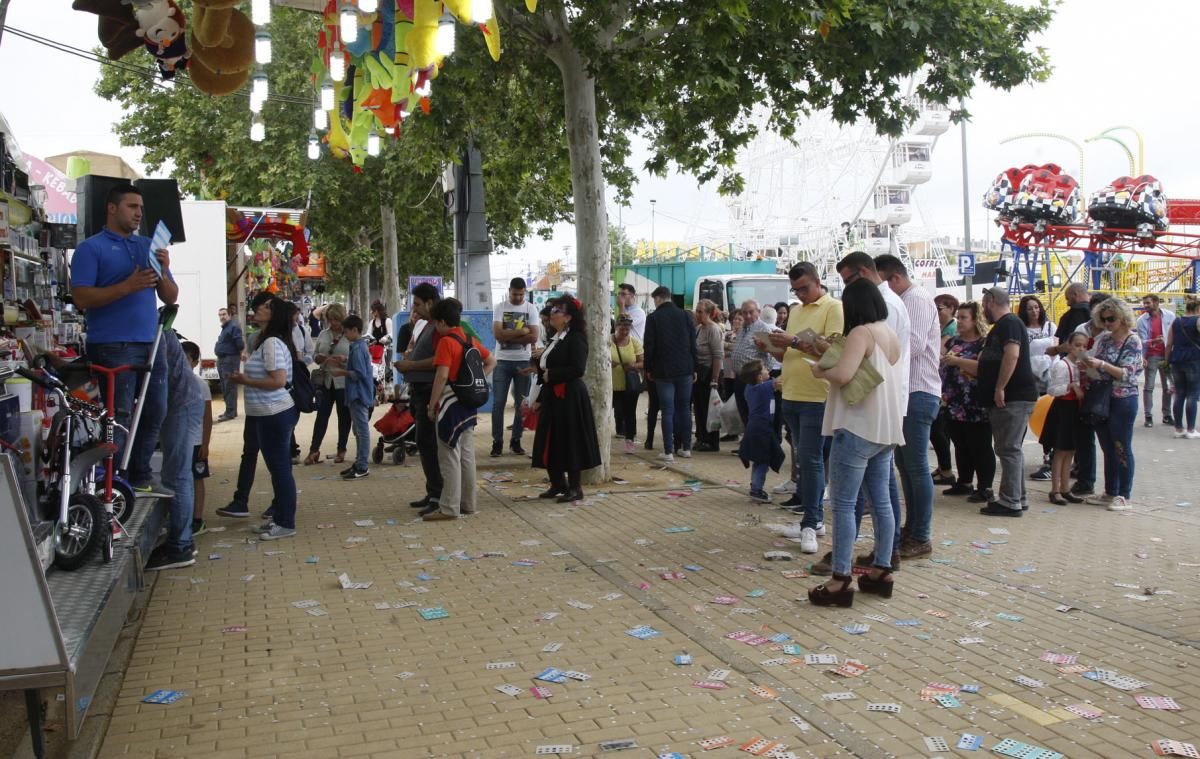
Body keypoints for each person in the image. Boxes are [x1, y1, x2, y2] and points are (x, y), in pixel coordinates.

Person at [70, 184, 178, 494]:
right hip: (113, 344)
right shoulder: (91, 249)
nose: (139, 213)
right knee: (119, 416)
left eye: (141, 208)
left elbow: (170, 297)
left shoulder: (147, 246)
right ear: (112, 208)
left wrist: (165, 269)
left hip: (151, 342)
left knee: (156, 408)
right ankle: (111, 482)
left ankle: (140, 473)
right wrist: (127, 287)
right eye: (132, 206)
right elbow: (81, 297)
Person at [806, 277, 905, 607]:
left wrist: (819, 371)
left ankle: (840, 579)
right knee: (882, 502)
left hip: (857, 425)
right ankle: (881, 570)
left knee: (845, 504)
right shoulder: (887, 333)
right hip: (885, 428)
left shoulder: (860, 333)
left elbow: (844, 375)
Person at [765, 262, 843, 553]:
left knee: (810, 461)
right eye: (795, 290)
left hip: (816, 395)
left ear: (818, 281)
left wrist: (794, 341)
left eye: (804, 288)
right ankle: (813, 520)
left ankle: (811, 522)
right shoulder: (796, 311)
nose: (800, 294)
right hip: (792, 392)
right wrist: (772, 347)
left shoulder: (833, 307)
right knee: (802, 459)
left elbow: (832, 349)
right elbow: (789, 351)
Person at [874, 254, 941, 559]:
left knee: (915, 467)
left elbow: (910, 346)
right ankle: (911, 528)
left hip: (918, 391)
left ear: (894, 279)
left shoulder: (915, 299)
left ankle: (921, 534)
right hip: (905, 394)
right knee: (905, 467)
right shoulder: (905, 300)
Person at [225, 297, 299, 540]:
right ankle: (279, 518)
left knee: (280, 469)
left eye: (266, 307)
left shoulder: (272, 343)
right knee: (277, 468)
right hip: (265, 413)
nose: (258, 309)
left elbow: (278, 380)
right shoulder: (263, 341)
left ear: (275, 313)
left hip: (274, 412)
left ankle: (286, 522)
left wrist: (245, 381)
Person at [424, 298, 495, 520]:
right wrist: (477, 380)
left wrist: (432, 404)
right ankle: (468, 504)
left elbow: (442, 375)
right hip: (468, 405)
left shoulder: (446, 342)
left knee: (449, 456)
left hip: (449, 404)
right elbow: (491, 360)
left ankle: (449, 507)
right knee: (466, 455)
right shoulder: (470, 339)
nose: (435, 326)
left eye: (436, 322)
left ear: (443, 321)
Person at [531, 296, 602, 503]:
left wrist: (551, 375)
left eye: (557, 311)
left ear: (568, 317)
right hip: (553, 395)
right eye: (552, 310)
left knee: (570, 440)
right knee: (550, 439)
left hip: (570, 396)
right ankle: (557, 483)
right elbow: (546, 369)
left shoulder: (576, 337)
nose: (552, 314)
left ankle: (574, 488)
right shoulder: (555, 338)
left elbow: (577, 368)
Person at [144, 330, 205, 571]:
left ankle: (180, 546)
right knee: (179, 475)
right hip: (181, 403)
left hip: (180, 404)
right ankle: (182, 541)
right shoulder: (155, 328)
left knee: (177, 476)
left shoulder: (152, 331)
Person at [976, 287, 1038, 517]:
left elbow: (1012, 355)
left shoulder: (1009, 323)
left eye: (983, 304)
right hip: (1012, 397)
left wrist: (1000, 387)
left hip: (1012, 397)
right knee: (1010, 449)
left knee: (1008, 449)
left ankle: (1010, 501)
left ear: (991, 301)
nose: (983, 310)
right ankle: (1016, 497)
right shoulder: (1004, 326)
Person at [1084, 298, 1143, 511]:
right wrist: (1088, 365)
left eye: (1111, 319)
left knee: (1121, 447)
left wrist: (1102, 365)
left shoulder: (1133, 340)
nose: (1107, 323)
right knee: (1108, 447)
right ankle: (1110, 491)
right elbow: (1098, 366)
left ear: (1122, 317)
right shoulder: (1105, 339)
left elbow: (1128, 374)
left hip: (1123, 399)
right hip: (1103, 398)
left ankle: (1124, 494)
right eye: (1103, 319)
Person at [394, 283, 444, 511]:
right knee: (424, 443)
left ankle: (437, 495)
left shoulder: (440, 327)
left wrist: (411, 363)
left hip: (428, 391)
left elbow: (439, 360)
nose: (414, 309)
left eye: (417, 304)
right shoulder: (425, 325)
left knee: (428, 443)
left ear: (430, 303)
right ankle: (432, 491)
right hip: (418, 390)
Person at [939, 301, 995, 503]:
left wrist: (957, 362)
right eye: (959, 317)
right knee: (960, 444)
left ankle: (985, 487)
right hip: (953, 402)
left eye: (964, 318)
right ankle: (964, 481)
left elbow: (983, 369)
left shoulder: (984, 343)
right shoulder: (953, 341)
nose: (959, 321)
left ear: (975, 320)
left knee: (980, 446)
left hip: (975, 403)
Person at [643, 286, 698, 463]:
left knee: (667, 410)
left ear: (658, 298)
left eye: (654, 299)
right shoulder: (685, 315)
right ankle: (686, 448)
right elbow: (692, 343)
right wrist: (694, 367)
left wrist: (648, 368)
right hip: (685, 370)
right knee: (684, 409)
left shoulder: (653, 318)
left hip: (663, 371)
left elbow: (649, 345)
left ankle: (668, 451)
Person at [491, 278, 540, 457]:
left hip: (523, 361)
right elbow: (497, 334)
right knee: (498, 403)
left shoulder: (531, 308)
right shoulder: (500, 307)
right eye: (515, 294)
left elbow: (534, 337)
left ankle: (516, 440)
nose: (518, 297)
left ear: (525, 292)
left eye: (521, 294)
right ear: (509, 291)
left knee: (521, 403)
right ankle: (497, 441)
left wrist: (508, 336)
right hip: (502, 361)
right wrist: (522, 331)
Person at [1040, 332, 1089, 505]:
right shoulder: (1062, 365)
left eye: (1084, 346)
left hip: (1076, 409)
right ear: (1069, 345)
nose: (1080, 349)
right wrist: (1069, 387)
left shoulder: (1082, 365)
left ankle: (1065, 488)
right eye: (1077, 345)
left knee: (1071, 450)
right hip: (1063, 409)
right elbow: (1052, 390)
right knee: (1060, 450)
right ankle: (1055, 489)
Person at [305, 303, 351, 465]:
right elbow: (315, 354)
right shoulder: (324, 334)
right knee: (321, 416)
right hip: (325, 381)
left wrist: (344, 360)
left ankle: (341, 449)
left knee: (344, 417)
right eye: (330, 320)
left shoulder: (349, 336)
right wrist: (319, 357)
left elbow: (357, 358)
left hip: (343, 382)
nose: (333, 323)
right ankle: (314, 450)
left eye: (336, 320)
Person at [330, 315, 374, 480]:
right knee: (358, 430)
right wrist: (345, 362)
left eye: (346, 332)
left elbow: (360, 373)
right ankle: (359, 462)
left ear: (355, 330)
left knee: (361, 431)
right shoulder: (358, 346)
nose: (345, 336)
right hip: (357, 394)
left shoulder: (358, 348)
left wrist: (341, 371)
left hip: (358, 394)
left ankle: (362, 465)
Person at [736, 360, 785, 503]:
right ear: (758, 377)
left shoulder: (750, 388)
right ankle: (756, 490)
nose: (767, 370)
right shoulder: (762, 388)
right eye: (764, 369)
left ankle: (755, 486)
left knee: (759, 459)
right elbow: (781, 380)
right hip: (762, 428)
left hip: (755, 427)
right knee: (762, 461)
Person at [1020, 295, 1057, 481]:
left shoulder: (1050, 327)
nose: (1034, 311)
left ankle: (1049, 458)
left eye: (1037, 307)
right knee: (1030, 417)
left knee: (1048, 419)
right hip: (1030, 381)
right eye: (1030, 308)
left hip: (1050, 380)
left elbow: (1057, 349)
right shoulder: (1021, 329)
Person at [180, 341, 212, 538]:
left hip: (196, 442)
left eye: (186, 359)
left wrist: (206, 444)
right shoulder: (173, 382)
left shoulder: (201, 385)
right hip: (179, 441)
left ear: (194, 361)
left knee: (197, 479)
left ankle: (197, 518)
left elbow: (207, 417)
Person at [729, 300, 778, 424]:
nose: (748, 316)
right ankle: (749, 438)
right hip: (741, 378)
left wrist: (760, 377)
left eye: (751, 312)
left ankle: (757, 440)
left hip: (754, 380)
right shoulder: (742, 329)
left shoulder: (763, 329)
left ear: (759, 312)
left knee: (755, 415)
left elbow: (772, 357)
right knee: (744, 413)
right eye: (744, 313)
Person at [930, 293, 960, 484]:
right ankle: (944, 467)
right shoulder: (941, 327)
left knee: (938, 428)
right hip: (940, 382)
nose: (936, 312)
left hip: (947, 386)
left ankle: (947, 470)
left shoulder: (951, 328)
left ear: (951, 309)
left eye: (939, 309)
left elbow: (938, 349)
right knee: (938, 429)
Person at [1137, 294, 1175, 428]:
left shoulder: (1169, 316)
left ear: (1157, 303)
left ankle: (1167, 415)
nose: (1145, 305)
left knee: (1168, 387)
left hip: (1167, 355)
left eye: (1148, 303)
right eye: (1144, 303)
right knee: (1149, 386)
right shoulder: (1142, 320)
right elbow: (1141, 341)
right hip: (1152, 356)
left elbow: (1174, 334)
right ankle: (1148, 416)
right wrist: (1144, 356)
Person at [692, 299, 725, 452]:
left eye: (701, 312)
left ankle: (711, 441)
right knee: (699, 408)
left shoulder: (713, 329)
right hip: (699, 373)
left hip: (710, 373)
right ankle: (701, 438)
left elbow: (718, 355)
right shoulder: (699, 328)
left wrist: (714, 379)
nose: (697, 314)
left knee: (709, 409)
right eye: (697, 311)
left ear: (709, 313)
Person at [1166, 295, 1200, 438]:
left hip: (1176, 360)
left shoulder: (1176, 321)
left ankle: (1178, 429)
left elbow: (1169, 344)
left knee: (1179, 393)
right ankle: (1191, 429)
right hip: (1194, 360)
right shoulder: (1198, 320)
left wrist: (1166, 361)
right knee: (1192, 394)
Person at [610, 315, 644, 454]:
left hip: (629, 386)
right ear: (616, 327)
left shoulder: (634, 342)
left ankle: (629, 441)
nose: (625, 332)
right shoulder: (607, 341)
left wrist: (633, 365)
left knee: (629, 413)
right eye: (622, 328)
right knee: (606, 413)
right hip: (611, 385)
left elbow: (642, 362)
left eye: (627, 329)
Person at [214, 306, 244, 422]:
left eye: (224, 314)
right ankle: (230, 410)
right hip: (223, 359)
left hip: (229, 360)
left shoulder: (233, 327)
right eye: (220, 315)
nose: (222, 317)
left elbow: (239, 344)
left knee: (229, 386)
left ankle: (230, 412)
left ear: (229, 315)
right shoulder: (225, 328)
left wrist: (238, 351)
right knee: (224, 386)